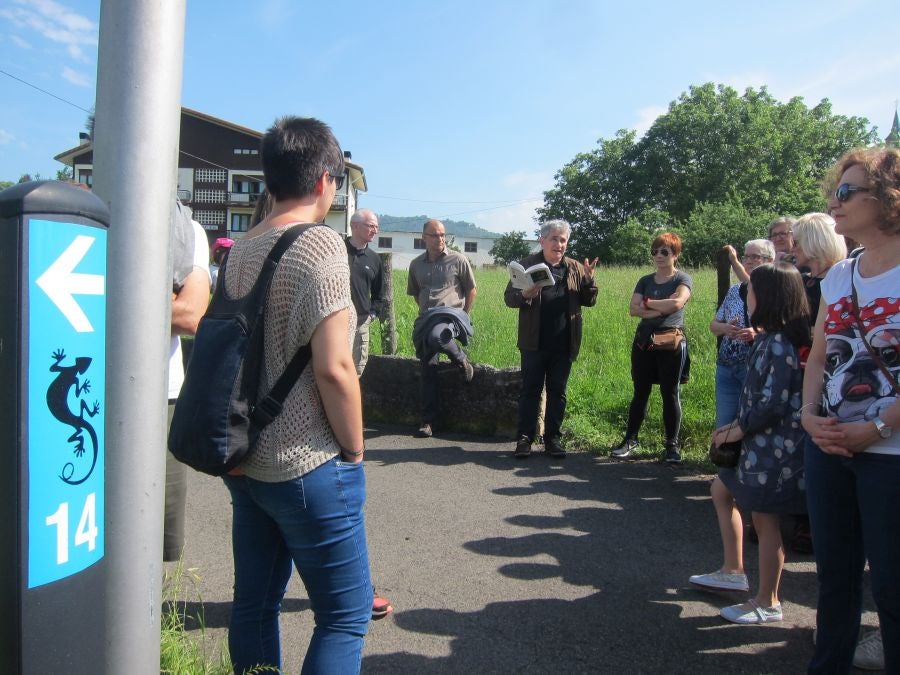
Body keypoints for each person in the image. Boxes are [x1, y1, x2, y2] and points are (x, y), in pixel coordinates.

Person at [219, 116, 371, 673]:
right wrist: (354, 451)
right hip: (308, 462)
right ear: (326, 181)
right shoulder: (320, 246)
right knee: (345, 614)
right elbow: (334, 369)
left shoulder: (241, 248)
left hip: (245, 458)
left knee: (255, 607)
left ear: (268, 180)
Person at [801, 147, 899, 673]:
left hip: (891, 453)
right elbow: (819, 355)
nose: (833, 204)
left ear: (888, 199)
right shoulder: (840, 276)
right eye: (833, 192)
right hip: (828, 446)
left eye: (846, 192)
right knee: (834, 580)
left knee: (891, 585)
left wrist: (880, 425)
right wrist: (808, 414)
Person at [691, 261, 810, 625]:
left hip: (773, 447)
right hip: (759, 442)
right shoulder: (771, 337)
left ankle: (767, 601)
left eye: (752, 291)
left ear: (770, 297)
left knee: (765, 517)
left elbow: (773, 402)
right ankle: (733, 570)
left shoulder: (778, 343)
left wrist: (737, 429)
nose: (747, 297)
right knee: (722, 490)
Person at [503, 219, 598, 459]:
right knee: (530, 390)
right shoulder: (526, 265)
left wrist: (589, 282)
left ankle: (553, 438)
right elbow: (509, 298)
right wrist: (525, 294)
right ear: (542, 240)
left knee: (558, 391)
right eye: (554, 239)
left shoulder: (575, 267)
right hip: (533, 342)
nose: (559, 244)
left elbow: (589, 301)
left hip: (564, 341)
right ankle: (524, 438)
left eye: (563, 240)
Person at [611, 232, 692, 463]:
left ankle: (671, 447)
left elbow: (678, 302)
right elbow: (633, 310)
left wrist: (648, 303)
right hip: (644, 341)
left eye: (664, 251)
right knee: (640, 392)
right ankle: (630, 440)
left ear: (675, 255)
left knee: (670, 393)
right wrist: (661, 308)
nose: (658, 256)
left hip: (671, 342)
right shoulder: (645, 280)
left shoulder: (682, 279)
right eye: (655, 251)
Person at [165, 201, 211, 562]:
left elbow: (190, 314)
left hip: (161, 393)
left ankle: (149, 615)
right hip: (84, 387)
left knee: (159, 532)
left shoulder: (186, 229)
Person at [407, 218, 477, 438]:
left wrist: (464, 314)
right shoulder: (416, 264)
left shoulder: (458, 259)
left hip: (452, 316)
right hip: (427, 317)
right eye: (435, 235)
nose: (440, 239)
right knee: (428, 368)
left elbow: (471, 290)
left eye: (442, 235)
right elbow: (417, 293)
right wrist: (428, 311)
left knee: (439, 337)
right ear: (424, 238)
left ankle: (461, 358)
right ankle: (428, 422)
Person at [709, 239, 773, 427]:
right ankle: (723, 455)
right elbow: (714, 325)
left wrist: (756, 331)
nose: (749, 261)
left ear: (770, 260)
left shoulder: (773, 289)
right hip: (726, 365)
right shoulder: (734, 291)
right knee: (724, 422)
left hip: (754, 365)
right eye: (747, 257)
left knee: (749, 420)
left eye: (756, 256)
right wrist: (726, 328)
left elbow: (780, 324)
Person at [346, 209, 386, 376]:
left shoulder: (374, 259)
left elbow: (380, 295)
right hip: (334, 322)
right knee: (331, 369)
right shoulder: (337, 250)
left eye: (376, 227)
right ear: (354, 225)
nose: (375, 230)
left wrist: (371, 315)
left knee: (356, 371)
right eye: (371, 226)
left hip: (361, 323)